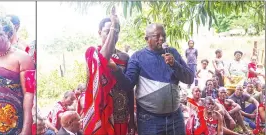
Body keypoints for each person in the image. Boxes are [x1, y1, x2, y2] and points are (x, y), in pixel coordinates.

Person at [115, 23, 195, 134]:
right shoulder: (138, 57)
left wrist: (174, 64)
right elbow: (128, 85)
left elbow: (190, 78)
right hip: (149, 120)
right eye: (157, 36)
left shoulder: (172, 53)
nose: (161, 38)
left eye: (164, 36)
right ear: (147, 39)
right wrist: (116, 70)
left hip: (175, 118)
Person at [0, 16, 35, 135]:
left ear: (8, 34)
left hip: (12, 121)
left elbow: (29, 94)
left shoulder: (23, 58)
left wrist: (26, 129)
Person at [82, 7, 135, 135]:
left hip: (121, 113)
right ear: (99, 32)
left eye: (116, 32)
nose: (113, 35)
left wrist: (132, 118)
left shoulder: (124, 57)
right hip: (101, 114)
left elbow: (129, 88)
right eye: (108, 32)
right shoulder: (92, 53)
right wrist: (113, 26)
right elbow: (103, 58)